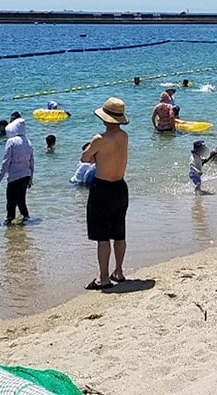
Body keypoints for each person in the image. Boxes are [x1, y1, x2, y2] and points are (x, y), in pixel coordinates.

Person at [82, 98, 131, 291]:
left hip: (102, 188)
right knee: (119, 232)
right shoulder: (124, 136)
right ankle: (118, 271)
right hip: (120, 186)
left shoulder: (99, 139)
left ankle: (103, 277)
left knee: (102, 236)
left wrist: (93, 154)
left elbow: (85, 158)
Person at [0, 118, 34, 225]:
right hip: (26, 175)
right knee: (21, 200)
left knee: (11, 201)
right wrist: (31, 178)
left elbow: (6, 162)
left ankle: (9, 222)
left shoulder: (11, 141)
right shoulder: (28, 142)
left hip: (14, 177)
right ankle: (26, 219)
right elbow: (31, 162)